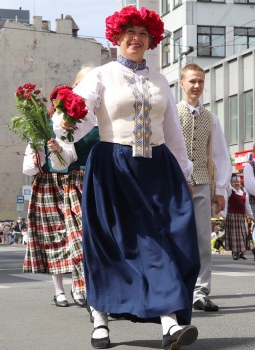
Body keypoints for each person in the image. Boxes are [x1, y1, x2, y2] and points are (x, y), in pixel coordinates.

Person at [51, 6, 200, 350]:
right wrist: (62, 128)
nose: (136, 38)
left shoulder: (160, 79)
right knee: (109, 243)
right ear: (117, 37)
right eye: (129, 32)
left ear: (151, 40)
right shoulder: (102, 75)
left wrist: (186, 174)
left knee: (168, 240)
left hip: (157, 168)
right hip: (113, 166)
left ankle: (169, 323)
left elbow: (173, 132)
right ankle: (101, 318)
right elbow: (79, 118)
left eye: (143, 33)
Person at [22, 66, 99, 308]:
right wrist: (44, 150)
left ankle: (81, 285)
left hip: (82, 180)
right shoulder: (58, 118)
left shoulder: (98, 115)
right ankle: (59, 290)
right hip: (52, 179)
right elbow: (37, 150)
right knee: (54, 236)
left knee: (79, 236)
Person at [177, 63, 232, 312]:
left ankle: (200, 292)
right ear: (181, 83)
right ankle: (176, 290)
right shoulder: (172, 113)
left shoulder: (212, 118)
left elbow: (221, 154)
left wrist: (221, 189)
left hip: (201, 182)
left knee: (201, 239)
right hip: (174, 184)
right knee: (175, 237)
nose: (197, 86)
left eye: (200, 81)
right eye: (192, 81)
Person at [221, 173, 254, 260]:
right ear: (231, 182)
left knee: (243, 234)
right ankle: (235, 253)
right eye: (234, 181)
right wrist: (224, 215)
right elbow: (225, 203)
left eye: (238, 181)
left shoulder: (244, 192)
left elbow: (247, 205)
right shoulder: (229, 190)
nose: (236, 183)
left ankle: (241, 252)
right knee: (234, 235)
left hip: (242, 216)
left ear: (240, 182)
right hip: (232, 216)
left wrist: (251, 216)